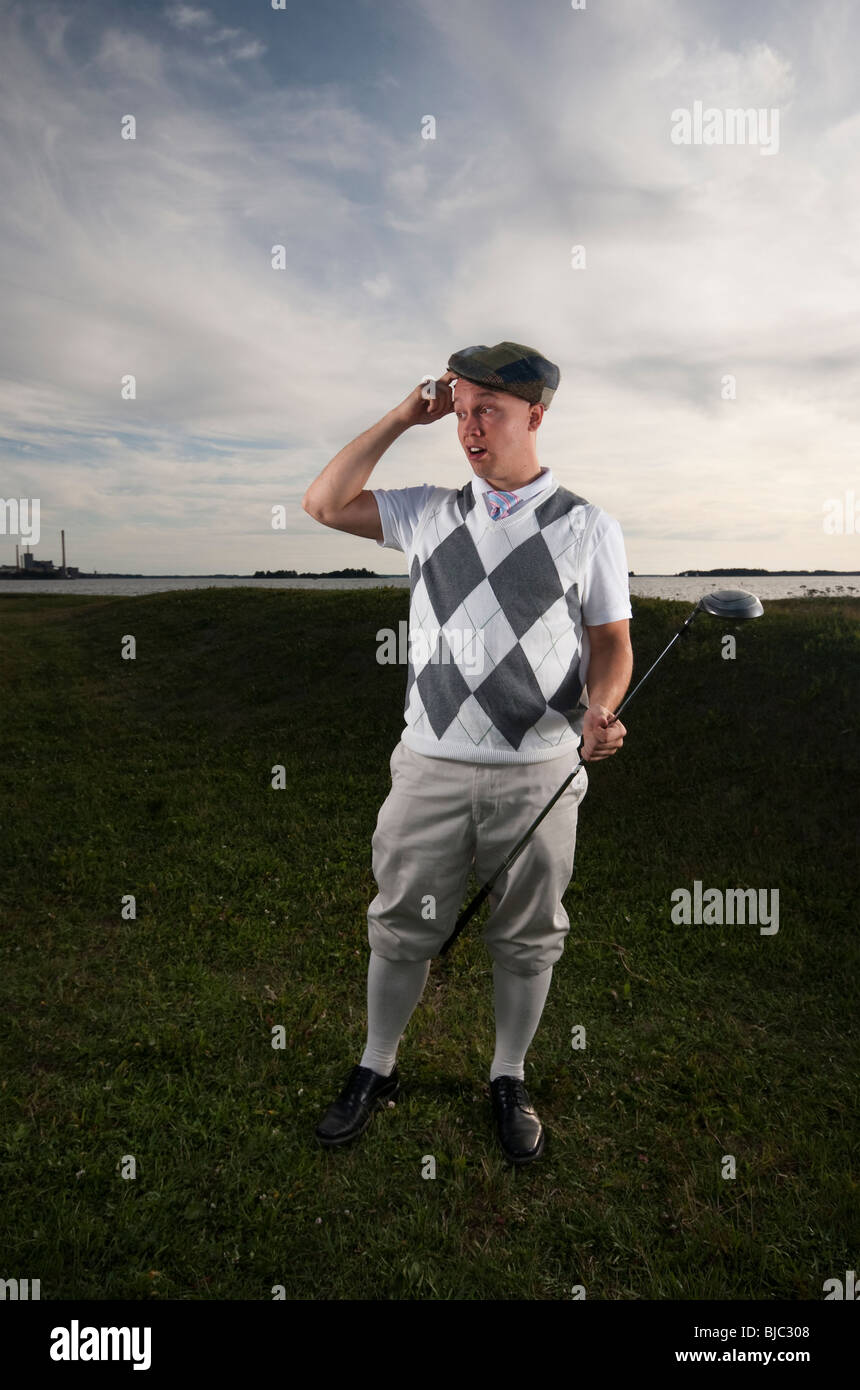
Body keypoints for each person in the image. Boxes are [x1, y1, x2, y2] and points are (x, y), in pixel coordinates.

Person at [302, 341, 633, 1165]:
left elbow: (611, 643)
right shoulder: (427, 513)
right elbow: (323, 502)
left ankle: (508, 1076)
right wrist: (401, 416)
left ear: (536, 415)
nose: (469, 426)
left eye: (488, 409)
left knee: (528, 937)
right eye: (459, 409)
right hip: (430, 764)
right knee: (399, 927)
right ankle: (377, 1066)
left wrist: (601, 708)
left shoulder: (588, 527)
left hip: (541, 773)